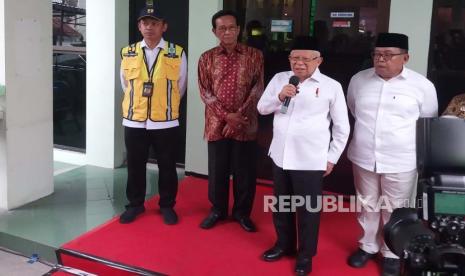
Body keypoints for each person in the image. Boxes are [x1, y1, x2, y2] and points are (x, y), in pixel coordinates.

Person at [346, 33, 438, 276]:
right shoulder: (358, 80)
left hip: (402, 158)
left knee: (395, 208)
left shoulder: (422, 86)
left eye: (388, 55)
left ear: (405, 57)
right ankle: (367, 246)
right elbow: (354, 109)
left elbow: (427, 123)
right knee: (367, 204)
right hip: (364, 155)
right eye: (377, 54)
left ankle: (391, 253)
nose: (381, 59)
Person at [257, 37, 350, 276]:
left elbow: (342, 127)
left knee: (307, 210)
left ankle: (305, 254)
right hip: (280, 155)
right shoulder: (280, 79)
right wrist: (279, 96)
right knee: (282, 204)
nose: (299, 63)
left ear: (318, 60)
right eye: (294, 58)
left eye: (305, 59)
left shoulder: (331, 86)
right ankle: (283, 245)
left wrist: (331, 158)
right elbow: (261, 108)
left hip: (310, 159)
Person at [118, 5, 187, 225]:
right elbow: (125, 84)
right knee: (135, 165)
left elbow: (180, 86)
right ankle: (135, 205)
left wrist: (162, 104)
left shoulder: (176, 52)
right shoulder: (128, 52)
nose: (149, 27)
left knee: (167, 166)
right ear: (139, 26)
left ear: (163, 27)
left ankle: (167, 205)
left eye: (154, 23)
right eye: (145, 23)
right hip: (134, 119)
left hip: (164, 120)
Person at [197, 10, 264, 232]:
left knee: (245, 171)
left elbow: (257, 88)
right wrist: (227, 117)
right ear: (214, 31)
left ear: (238, 29)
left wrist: (238, 118)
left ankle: (242, 213)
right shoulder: (206, 58)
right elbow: (204, 91)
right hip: (217, 124)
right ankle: (217, 210)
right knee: (217, 170)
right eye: (222, 28)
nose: (227, 32)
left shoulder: (255, 55)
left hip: (245, 123)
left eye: (231, 27)